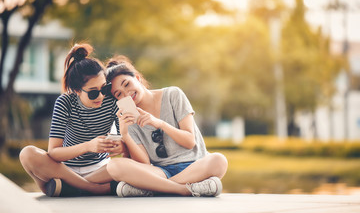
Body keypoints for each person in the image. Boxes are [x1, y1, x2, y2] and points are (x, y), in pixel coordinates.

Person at [105, 56, 228, 197]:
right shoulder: (128, 118)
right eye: (118, 94)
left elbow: (189, 142)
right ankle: (185, 189)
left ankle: (152, 189)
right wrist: (125, 134)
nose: (127, 93)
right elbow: (144, 163)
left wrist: (159, 123)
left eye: (127, 84)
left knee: (219, 160)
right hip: (161, 171)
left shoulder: (173, 94)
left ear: (137, 79)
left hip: (195, 165)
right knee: (114, 166)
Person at [19, 43, 125, 197]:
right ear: (76, 90)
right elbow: (54, 152)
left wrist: (119, 145)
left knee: (125, 165)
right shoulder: (65, 102)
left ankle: (67, 187)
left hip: (101, 169)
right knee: (27, 154)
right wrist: (88, 146)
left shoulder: (112, 98)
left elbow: (130, 138)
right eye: (93, 93)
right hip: (65, 170)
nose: (101, 96)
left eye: (104, 88)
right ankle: (94, 189)